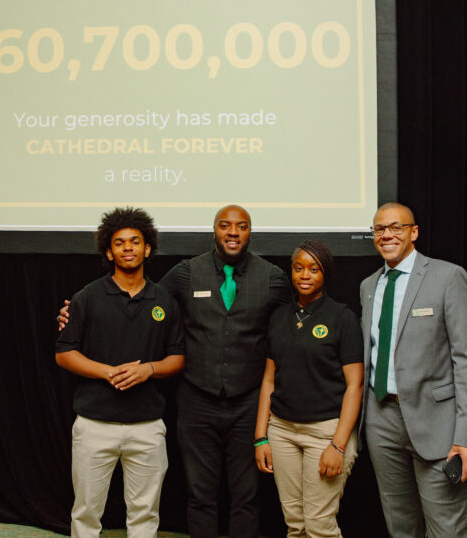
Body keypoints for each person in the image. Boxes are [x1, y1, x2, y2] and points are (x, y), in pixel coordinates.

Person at [60, 204, 288, 537]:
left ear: (250, 232)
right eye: (225, 225)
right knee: (199, 495)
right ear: (214, 231)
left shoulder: (272, 277)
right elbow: (140, 299)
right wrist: (71, 314)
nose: (233, 232)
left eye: (241, 226)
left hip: (247, 403)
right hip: (197, 402)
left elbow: (294, 322)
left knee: (247, 497)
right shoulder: (185, 274)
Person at [55, 207, 185, 538]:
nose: (128, 248)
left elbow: (178, 357)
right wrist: (107, 372)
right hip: (94, 424)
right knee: (86, 512)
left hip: (147, 426)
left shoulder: (165, 301)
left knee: (144, 515)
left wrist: (149, 370)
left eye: (135, 241)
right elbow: (64, 353)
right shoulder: (87, 297)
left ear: (148, 249)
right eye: (120, 242)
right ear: (109, 251)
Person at [358, 202, 467, 538]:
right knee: (400, 525)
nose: (387, 235)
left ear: (414, 232)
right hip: (382, 419)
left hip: (438, 424)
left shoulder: (448, 277)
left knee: (446, 528)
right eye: (380, 229)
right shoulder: (369, 286)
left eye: (396, 227)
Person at [254, 241, 364, 537]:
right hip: (282, 431)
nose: (305, 275)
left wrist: (338, 445)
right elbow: (268, 380)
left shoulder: (342, 318)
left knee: (319, 525)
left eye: (313, 269)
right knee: (295, 523)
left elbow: (355, 386)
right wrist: (260, 437)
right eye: (299, 268)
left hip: (325, 434)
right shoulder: (278, 317)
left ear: (325, 274)